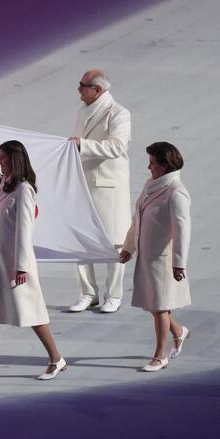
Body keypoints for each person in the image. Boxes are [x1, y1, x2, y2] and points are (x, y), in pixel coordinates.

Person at [0, 141, 66, 385]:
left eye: (3, 158)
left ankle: (56, 358)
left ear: (14, 160)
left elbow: (24, 230)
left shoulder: (23, 190)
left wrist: (22, 266)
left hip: (16, 264)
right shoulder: (2, 186)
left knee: (30, 312)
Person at [120, 142, 191, 372]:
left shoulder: (176, 193)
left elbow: (182, 231)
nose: (148, 167)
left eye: (152, 163)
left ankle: (160, 356)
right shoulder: (151, 185)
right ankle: (179, 332)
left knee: (160, 307)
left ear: (164, 165)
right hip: (147, 257)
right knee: (155, 305)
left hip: (163, 260)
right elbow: (136, 219)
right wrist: (128, 247)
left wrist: (179, 263)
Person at [68, 69, 132, 313]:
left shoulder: (119, 113)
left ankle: (114, 294)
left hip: (107, 186)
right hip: (83, 183)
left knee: (114, 242)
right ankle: (87, 293)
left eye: (83, 85)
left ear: (98, 90)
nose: (79, 90)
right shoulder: (83, 111)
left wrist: (82, 145)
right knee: (82, 240)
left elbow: (116, 146)